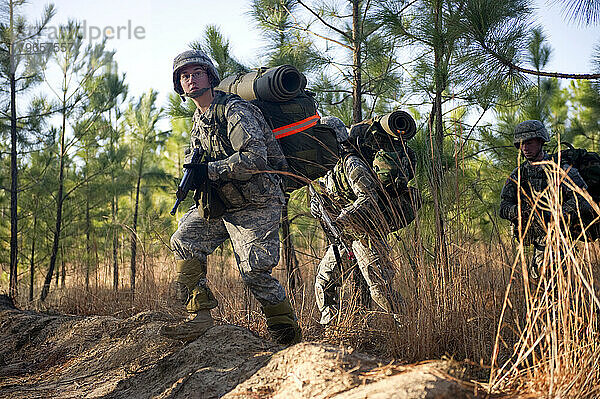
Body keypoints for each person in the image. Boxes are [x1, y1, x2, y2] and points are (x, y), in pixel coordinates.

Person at [161, 50, 301, 345]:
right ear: (180, 85)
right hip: (224, 202)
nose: (190, 79)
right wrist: (194, 177)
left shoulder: (235, 110)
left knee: (254, 271)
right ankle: (199, 317)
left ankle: (286, 337)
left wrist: (208, 171)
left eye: (197, 72)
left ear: (210, 77)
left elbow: (255, 159)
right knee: (184, 239)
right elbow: (195, 161)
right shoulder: (200, 120)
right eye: (184, 75)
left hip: (257, 202)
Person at [310, 116, 411, 326]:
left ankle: (411, 325)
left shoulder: (351, 164)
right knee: (324, 281)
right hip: (345, 236)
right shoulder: (328, 170)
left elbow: (368, 197)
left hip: (367, 234)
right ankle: (331, 329)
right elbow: (328, 199)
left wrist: (344, 216)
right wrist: (318, 206)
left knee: (380, 291)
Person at [499, 120, 591, 277]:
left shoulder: (560, 168)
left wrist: (557, 215)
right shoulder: (519, 174)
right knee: (541, 293)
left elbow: (582, 198)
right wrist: (519, 212)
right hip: (538, 248)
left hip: (561, 244)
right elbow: (503, 207)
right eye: (521, 144)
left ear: (541, 141)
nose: (525, 148)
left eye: (529, 142)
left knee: (560, 293)